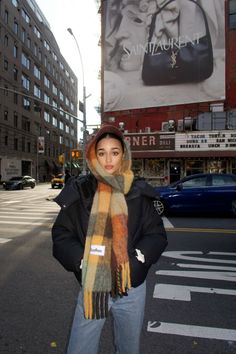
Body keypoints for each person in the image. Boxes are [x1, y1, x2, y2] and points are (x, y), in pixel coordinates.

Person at [51, 124, 167, 354]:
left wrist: (137, 262)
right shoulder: (80, 191)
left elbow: (156, 234)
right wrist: (82, 261)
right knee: (79, 348)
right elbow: (62, 235)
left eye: (114, 152)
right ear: (94, 155)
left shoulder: (139, 192)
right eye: (101, 152)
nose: (108, 159)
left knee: (128, 348)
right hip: (94, 285)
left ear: (123, 154)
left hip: (131, 288)